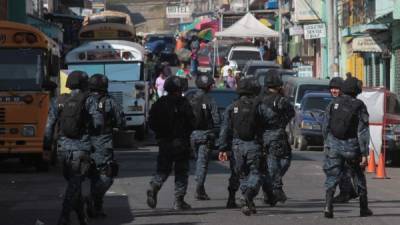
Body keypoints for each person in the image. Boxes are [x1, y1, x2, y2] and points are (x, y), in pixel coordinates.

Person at [44, 71, 102, 225]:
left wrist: (46, 148)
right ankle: (64, 216)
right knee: (74, 185)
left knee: (74, 184)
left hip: (62, 150)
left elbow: (49, 126)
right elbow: (98, 124)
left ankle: (82, 218)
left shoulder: (58, 100)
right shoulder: (89, 100)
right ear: (84, 84)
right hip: (81, 149)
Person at [323, 77, 373, 218]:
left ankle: (328, 206)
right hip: (352, 148)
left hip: (334, 146)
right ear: (356, 90)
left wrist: (328, 143)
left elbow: (325, 126)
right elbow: (362, 131)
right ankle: (364, 208)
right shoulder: (359, 105)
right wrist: (364, 153)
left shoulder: (333, 104)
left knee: (332, 176)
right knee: (358, 176)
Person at [146, 76, 195, 210]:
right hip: (181, 143)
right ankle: (179, 201)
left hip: (164, 142)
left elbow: (151, 123)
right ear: (179, 90)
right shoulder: (183, 103)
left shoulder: (159, 103)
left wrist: (160, 136)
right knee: (181, 172)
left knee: (163, 169)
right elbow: (192, 122)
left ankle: (155, 185)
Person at [218, 77, 263, 216]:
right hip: (254, 145)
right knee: (256, 173)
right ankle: (246, 198)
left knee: (242, 174)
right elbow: (270, 121)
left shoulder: (232, 107)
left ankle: (246, 202)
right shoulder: (258, 106)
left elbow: (225, 129)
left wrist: (222, 148)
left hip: (236, 146)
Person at [85, 74, 125, 218]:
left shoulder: (84, 100)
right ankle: (92, 199)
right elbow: (121, 121)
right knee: (107, 174)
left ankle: (96, 208)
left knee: (94, 174)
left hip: (84, 143)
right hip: (102, 142)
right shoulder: (109, 101)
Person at [257, 70, 295, 205]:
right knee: (279, 160)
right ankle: (275, 187)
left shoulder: (259, 98)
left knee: (276, 161)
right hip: (276, 135)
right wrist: (281, 123)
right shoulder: (280, 99)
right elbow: (291, 112)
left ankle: (270, 189)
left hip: (263, 135)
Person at [187, 74, 220, 200]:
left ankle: (200, 188)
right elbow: (217, 119)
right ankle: (199, 188)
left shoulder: (191, 99)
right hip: (206, 135)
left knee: (198, 161)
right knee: (202, 163)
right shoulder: (210, 100)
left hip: (192, 136)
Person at [327, 77, 358, 204]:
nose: (334, 91)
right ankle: (348, 191)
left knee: (337, 169)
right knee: (343, 169)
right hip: (339, 142)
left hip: (345, 143)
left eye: (337, 88)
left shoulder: (346, 103)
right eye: (332, 88)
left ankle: (347, 192)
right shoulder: (333, 104)